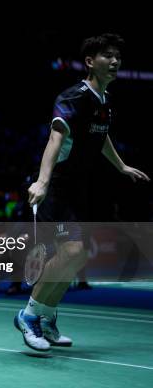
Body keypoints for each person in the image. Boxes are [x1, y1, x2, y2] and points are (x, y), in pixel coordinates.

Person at [15, 34, 150, 351]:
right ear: (90, 61)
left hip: (78, 189)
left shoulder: (103, 102)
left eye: (118, 56)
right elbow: (55, 139)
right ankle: (29, 315)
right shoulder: (74, 97)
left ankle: (46, 317)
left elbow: (100, 138)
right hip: (58, 187)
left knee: (77, 257)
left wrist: (121, 166)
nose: (115, 61)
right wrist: (42, 182)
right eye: (107, 56)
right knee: (72, 253)